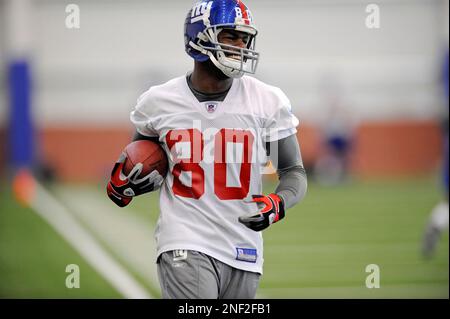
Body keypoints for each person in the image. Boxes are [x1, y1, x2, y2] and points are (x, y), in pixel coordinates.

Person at [106, 0, 307, 299]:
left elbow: (293, 172)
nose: (241, 46)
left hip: (245, 246)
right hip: (185, 241)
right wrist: (123, 183)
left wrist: (279, 203)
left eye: (245, 38)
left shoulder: (266, 101)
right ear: (200, 37)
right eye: (230, 36)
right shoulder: (159, 101)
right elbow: (139, 160)